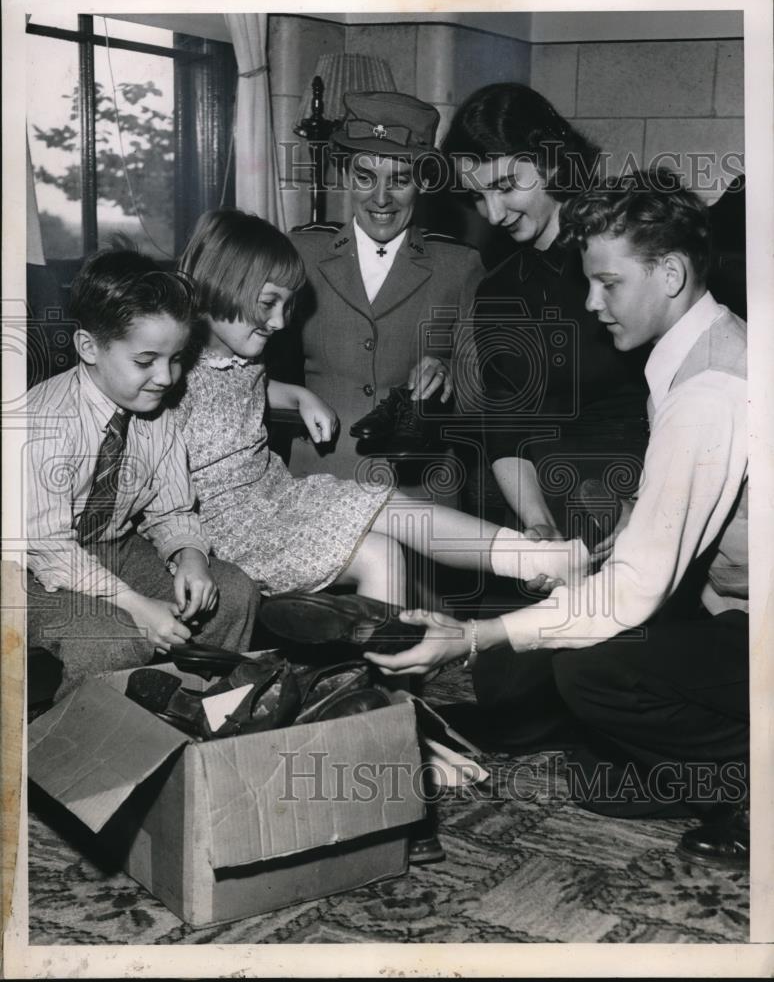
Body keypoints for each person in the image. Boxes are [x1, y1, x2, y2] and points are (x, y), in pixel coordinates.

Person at [366, 172, 750, 867]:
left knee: (592, 676)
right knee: (603, 780)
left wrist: (472, 637)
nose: (592, 302)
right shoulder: (708, 340)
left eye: (608, 283)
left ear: (669, 274)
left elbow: (636, 594)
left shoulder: (709, 391)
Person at [172, 208, 590, 611]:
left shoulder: (239, 352)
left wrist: (299, 396)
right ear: (221, 285)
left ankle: (536, 559)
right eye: (268, 303)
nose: (280, 323)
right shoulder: (171, 371)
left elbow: (244, 389)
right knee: (379, 543)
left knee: (387, 522)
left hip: (273, 495)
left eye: (286, 306)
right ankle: (532, 564)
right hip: (226, 528)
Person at [26, 250, 262, 702]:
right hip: (28, 566)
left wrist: (190, 554)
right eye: (146, 360)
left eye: (176, 358)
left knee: (234, 592)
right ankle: (86, 762)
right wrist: (135, 604)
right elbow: (49, 548)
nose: (165, 377)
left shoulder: (155, 412)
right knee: (113, 638)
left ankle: (198, 719)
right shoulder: (44, 423)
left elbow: (172, 507)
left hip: (111, 545)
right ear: (88, 348)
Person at [442, 83, 649, 540]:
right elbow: (506, 427)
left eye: (504, 186)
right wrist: (537, 525)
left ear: (551, 161)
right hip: (554, 496)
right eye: (478, 196)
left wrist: (644, 507)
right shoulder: (498, 290)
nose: (492, 214)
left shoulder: (630, 247)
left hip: (651, 486)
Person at [273, 90, 487, 481]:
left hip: (420, 484)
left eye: (400, 180)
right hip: (319, 481)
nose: (381, 198)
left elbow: (483, 395)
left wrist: (449, 372)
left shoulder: (459, 265)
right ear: (344, 175)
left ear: (422, 183)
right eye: (365, 176)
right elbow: (252, 372)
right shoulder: (301, 253)